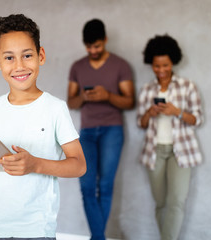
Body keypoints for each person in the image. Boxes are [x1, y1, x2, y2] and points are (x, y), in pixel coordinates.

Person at [0, 14, 86, 240]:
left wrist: (35, 164)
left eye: (27, 55)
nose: (19, 66)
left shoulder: (55, 108)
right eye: (9, 58)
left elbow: (78, 166)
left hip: (36, 230)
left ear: (41, 56)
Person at [67, 19, 135, 240]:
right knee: (86, 185)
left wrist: (108, 96)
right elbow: (71, 103)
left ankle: (96, 237)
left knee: (105, 185)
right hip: (86, 132)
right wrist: (83, 97)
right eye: (88, 47)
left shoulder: (121, 65)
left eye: (96, 46)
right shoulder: (77, 67)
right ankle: (99, 237)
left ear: (105, 40)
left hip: (112, 131)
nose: (92, 51)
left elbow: (130, 102)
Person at [137, 34, 203, 240]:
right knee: (161, 204)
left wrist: (177, 111)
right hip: (154, 151)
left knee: (176, 202)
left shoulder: (187, 86)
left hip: (181, 151)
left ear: (173, 62)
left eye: (165, 65)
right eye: (157, 66)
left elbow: (197, 119)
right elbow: (141, 123)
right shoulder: (147, 90)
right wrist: (150, 113)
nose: (161, 70)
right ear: (151, 64)